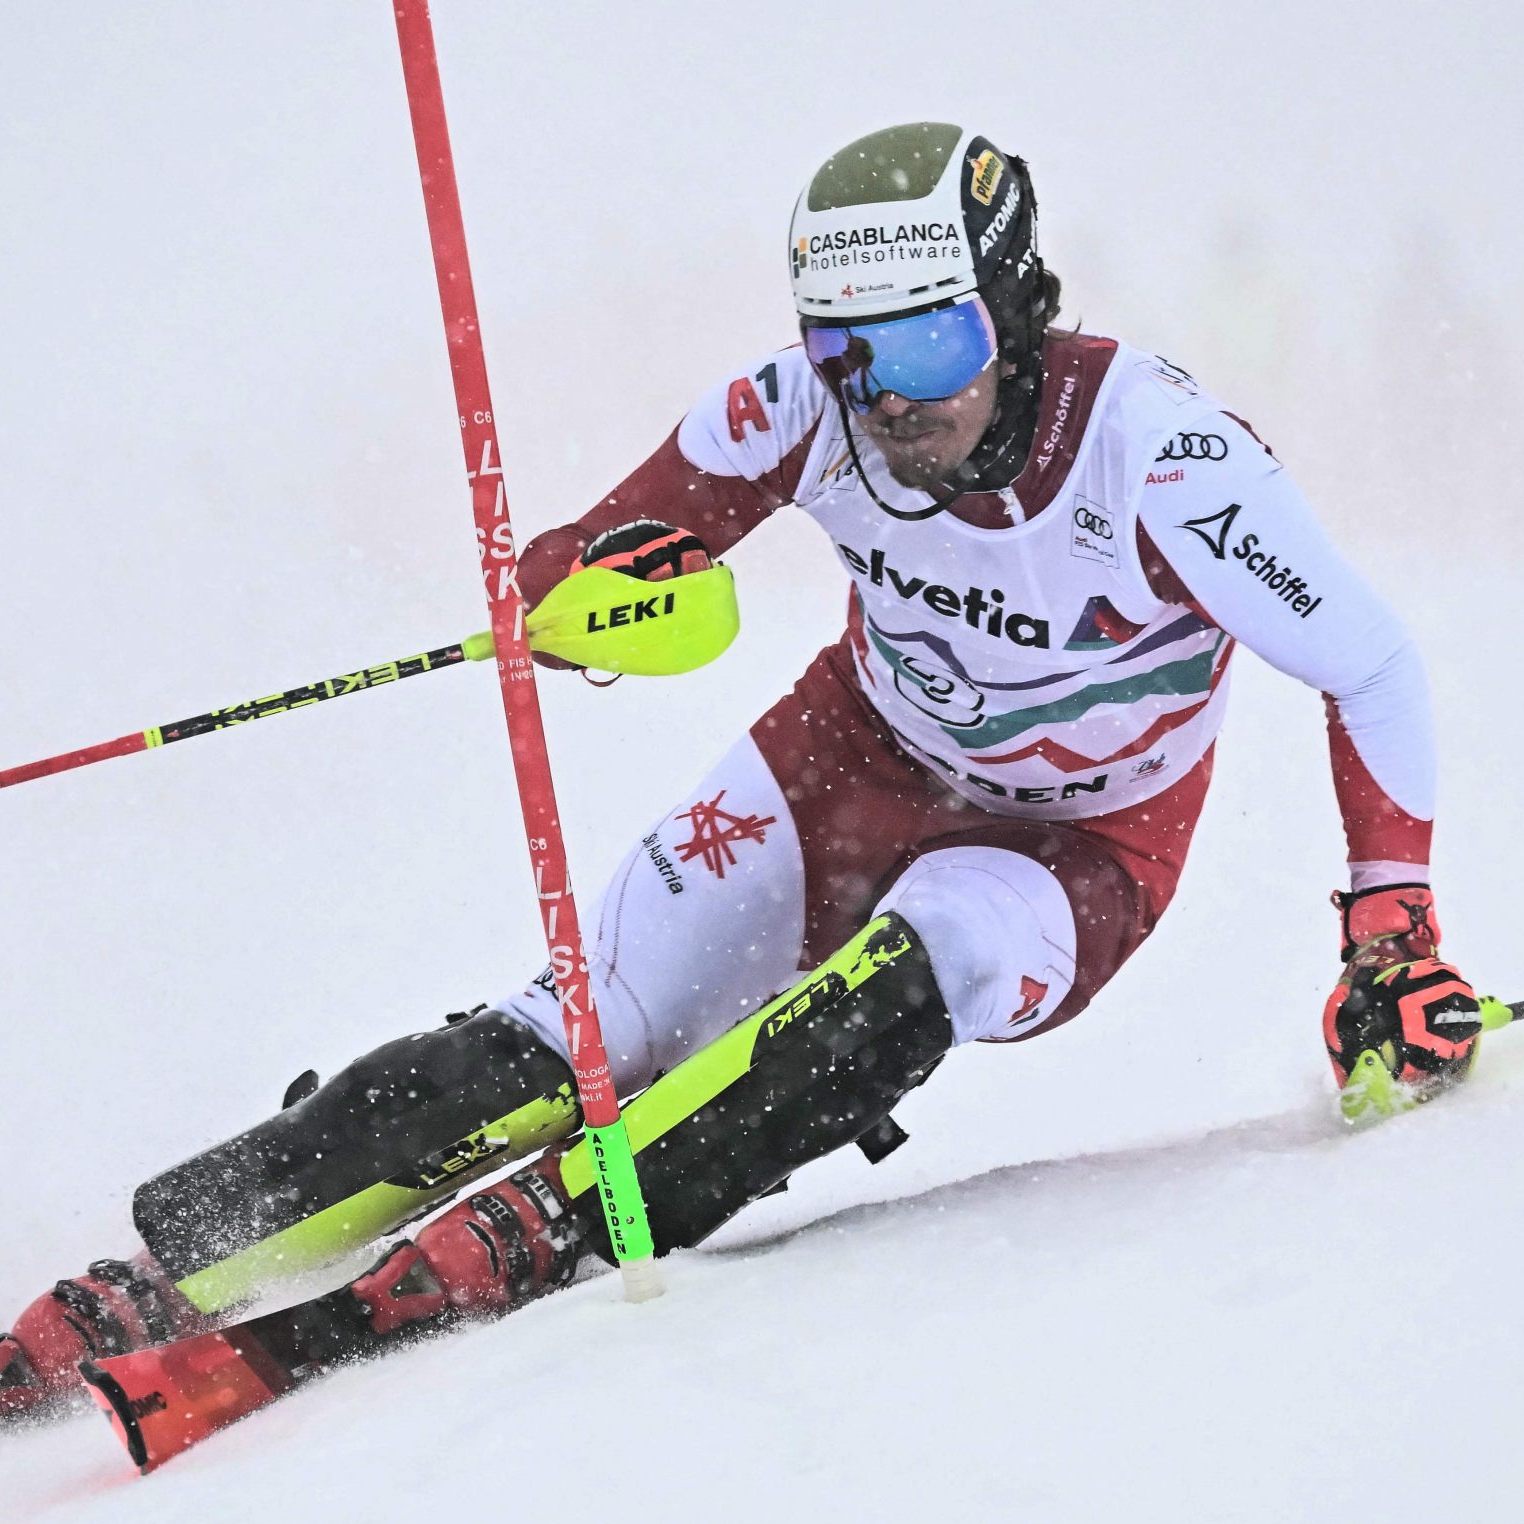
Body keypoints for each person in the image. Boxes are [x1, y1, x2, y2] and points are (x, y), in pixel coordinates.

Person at [1, 122, 1484, 1419]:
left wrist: (1389, 935)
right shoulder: (803, 408)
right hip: (852, 761)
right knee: (564, 1037)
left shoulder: (1162, 455)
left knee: (919, 970)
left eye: (929, 345)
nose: (889, 401)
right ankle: (160, 1270)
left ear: (1016, 314)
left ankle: (542, 1230)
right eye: (851, 352)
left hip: (1075, 848)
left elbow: (1370, 662)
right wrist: (582, 589)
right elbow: (585, 556)